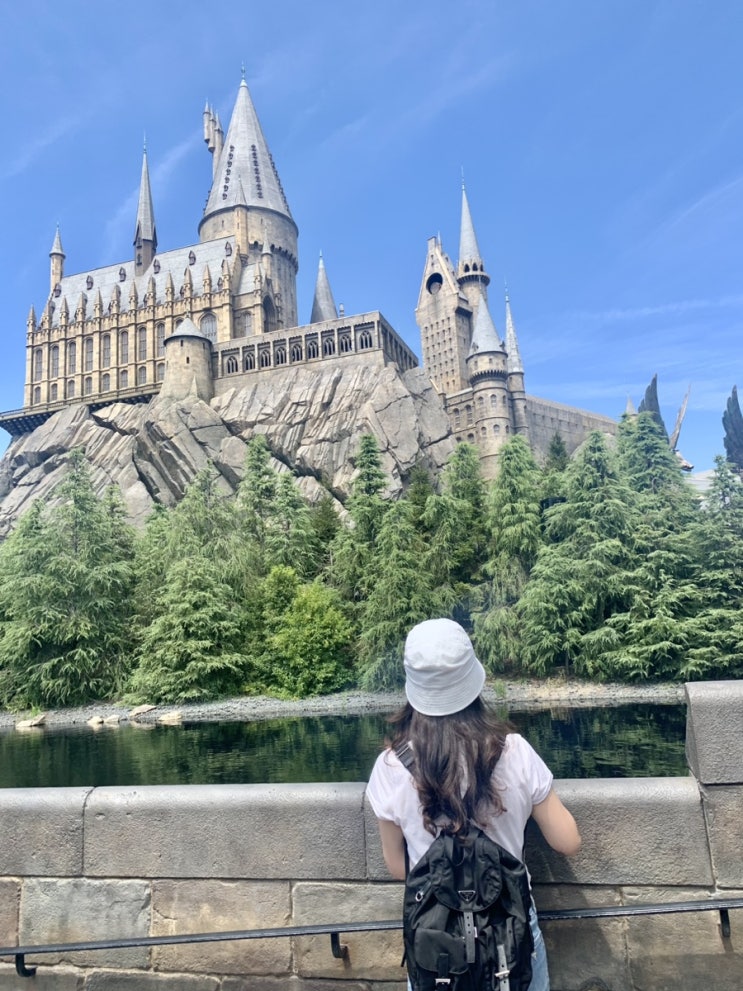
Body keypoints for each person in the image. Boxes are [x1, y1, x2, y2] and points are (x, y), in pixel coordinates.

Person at [366, 618, 582, 991]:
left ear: (414, 688)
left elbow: (400, 867)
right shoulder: (514, 751)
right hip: (509, 931)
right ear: (472, 679)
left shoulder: (390, 766)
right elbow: (568, 841)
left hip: (437, 939)